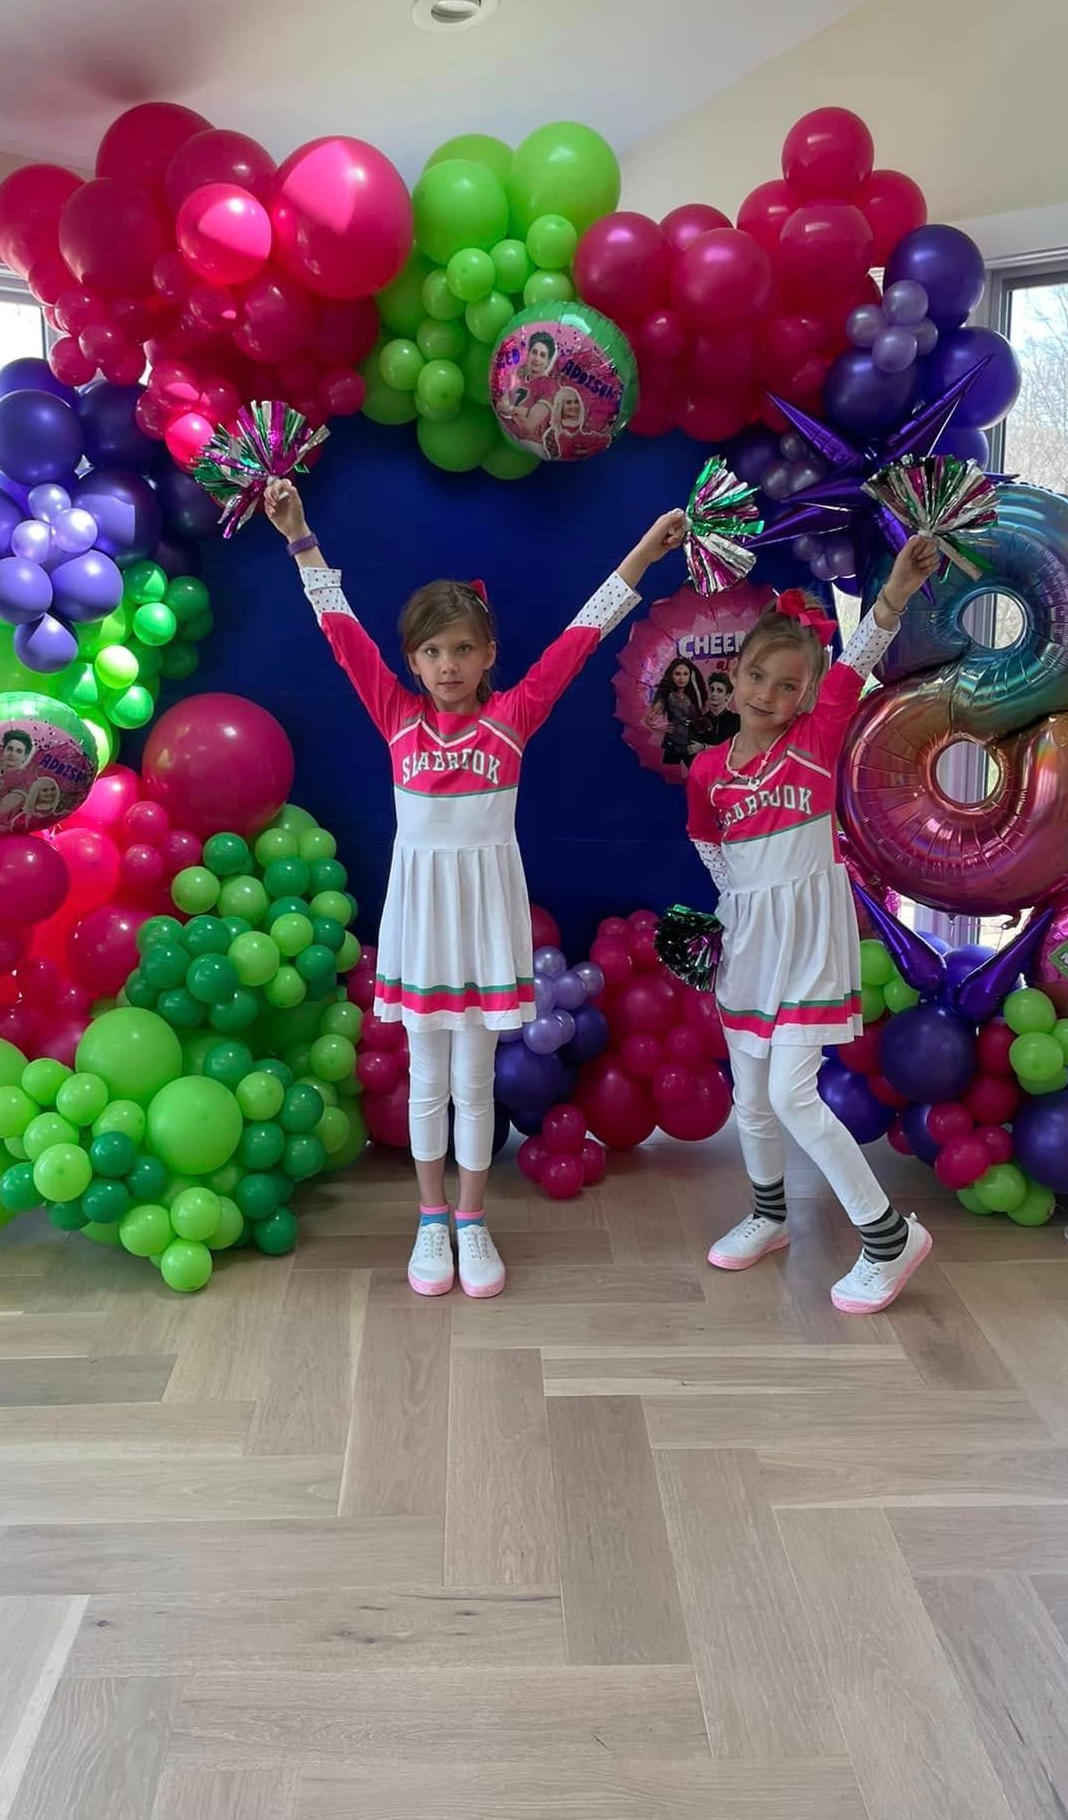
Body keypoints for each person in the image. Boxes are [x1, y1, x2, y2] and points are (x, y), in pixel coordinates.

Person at [266, 477, 687, 1300]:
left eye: (462, 649)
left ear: (488, 653)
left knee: (474, 1080)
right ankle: (428, 1222)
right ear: (413, 661)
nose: (447, 665)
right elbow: (340, 629)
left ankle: (471, 1218)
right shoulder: (395, 715)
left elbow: (583, 635)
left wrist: (642, 555)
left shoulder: (514, 716)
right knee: (428, 1078)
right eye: (431, 652)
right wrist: (300, 536)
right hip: (424, 919)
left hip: (485, 916)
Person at [686, 537, 941, 1314]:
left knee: (796, 1095)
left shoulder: (818, 739)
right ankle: (769, 1216)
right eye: (757, 675)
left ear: (807, 695)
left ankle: (890, 1236)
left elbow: (860, 655)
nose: (768, 692)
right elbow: (709, 844)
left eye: (788, 684)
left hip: (809, 938)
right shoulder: (707, 769)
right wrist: (729, 915)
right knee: (753, 1098)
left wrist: (895, 588)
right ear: (734, 676)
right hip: (749, 943)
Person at [649, 657, 707, 770]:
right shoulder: (667, 695)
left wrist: (695, 683)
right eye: (677, 674)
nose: (681, 678)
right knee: (671, 777)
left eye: (685, 674)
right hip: (672, 744)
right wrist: (658, 726)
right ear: (671, 675)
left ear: (691, 675)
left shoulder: (693, 696)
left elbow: (701, 713)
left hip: (691, 744)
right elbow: (648, 719)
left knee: (695, 776)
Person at [694, 669, 740, 745]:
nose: (714, 694)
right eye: (712, 689)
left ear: (727, 696)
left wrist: (704, 747)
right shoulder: (699, 722)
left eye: (719, 690)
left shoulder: (737, 721)